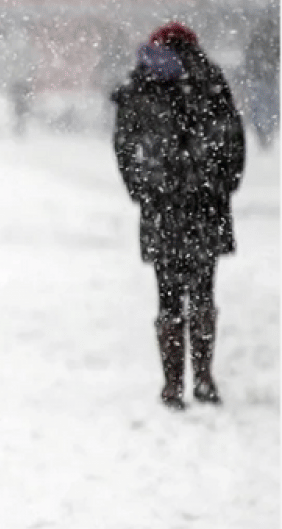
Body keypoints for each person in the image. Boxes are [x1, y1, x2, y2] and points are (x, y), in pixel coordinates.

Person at [111, 22, 245, 410]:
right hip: (207, 205)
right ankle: (203, 377)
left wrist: (142, 189)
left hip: (162, 206)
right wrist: (222, 185)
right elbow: (233, 140)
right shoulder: (211, 79)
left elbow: (124, 144)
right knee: (203, 291)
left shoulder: (143, 82)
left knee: (167, 297)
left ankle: (172, 385)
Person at [242, 11, 279, 148]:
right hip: (267, 78)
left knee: (260, 108)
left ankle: (263, 134)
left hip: (260, 78)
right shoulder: (272, 40)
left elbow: (249, 59)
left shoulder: (257, 40)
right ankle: (267, 133)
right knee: (269, 107)